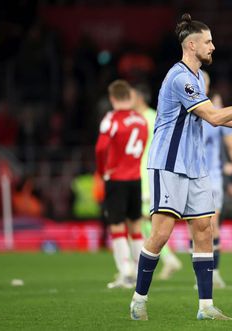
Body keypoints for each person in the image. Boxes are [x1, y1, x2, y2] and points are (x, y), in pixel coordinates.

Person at [129, 13, 232, 321]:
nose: (213, 46)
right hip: (169, 164)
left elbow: (211, 114)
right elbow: (212, 117)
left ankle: (205, 307)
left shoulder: (195, 78)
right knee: (162, 233)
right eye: (208, 41)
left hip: (195, 165)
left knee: (204, 229)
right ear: (191, 45)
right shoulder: (180, 77)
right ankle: (139, 299)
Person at [194, 70, 232, 288]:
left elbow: (231, 146)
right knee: (198, 226)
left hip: (214, 176)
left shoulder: (218, 114)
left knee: (211, 225)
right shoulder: (187, 112)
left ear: (207, 87)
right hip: (191, 175)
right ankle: (201, 274)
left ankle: (213, 272)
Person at [95, 79, 148, 289]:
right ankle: (139, 272)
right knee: (135, 225)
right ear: (130, 96)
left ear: (112, 98)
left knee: (117, 225)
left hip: (116, 178)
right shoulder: (141, 119)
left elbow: (100, 148)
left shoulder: (111, 119)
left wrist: (102, 170)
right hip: (135, 178)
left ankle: (125, 271)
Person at [133, 84, 183, 280]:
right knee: (143, 220)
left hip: (147, 174)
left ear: (139, 98)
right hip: (137, 173)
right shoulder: (137, 118)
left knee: (145, 219)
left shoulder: (151, 117)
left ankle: (165, 259)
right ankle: (167, 258)